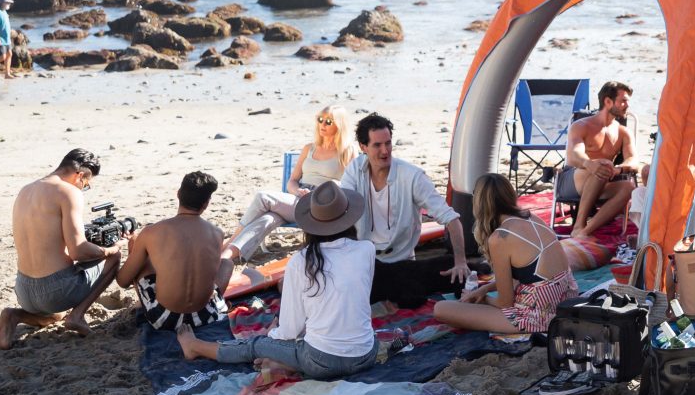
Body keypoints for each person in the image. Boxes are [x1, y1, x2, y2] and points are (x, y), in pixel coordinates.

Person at [176, 181, 378, 380]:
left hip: (320, 362)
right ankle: (286, 363)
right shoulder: (366, 249)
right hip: (365, 356)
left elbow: (289, 330)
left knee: (256, 346)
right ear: (349, 219)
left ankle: (195, 347)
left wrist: (272, 337)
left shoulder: (302, 261)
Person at [0, 148, 122, 348]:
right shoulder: (68, 192)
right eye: (86, 184)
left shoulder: (26, 190)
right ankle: (78, 316)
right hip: (55, 290)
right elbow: (78, 251)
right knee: (114, 257)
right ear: (79, 175)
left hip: (24, 290)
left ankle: (14, 315)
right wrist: (110, 250)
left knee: (57, 314)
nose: (83, 188)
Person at [340, 112, 470, 308]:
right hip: (365, 261)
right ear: (363, 147)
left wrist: (460, 261)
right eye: (377, 145)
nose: (385, 151)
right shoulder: (354, 170)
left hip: (402, 262)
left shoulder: (412, 177)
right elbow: (342, 213)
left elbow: (451, 219)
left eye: (388, 143)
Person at [431, 173, 575, 336]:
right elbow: (529, 275)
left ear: (479, 202)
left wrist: (483, 300)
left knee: (441, 309)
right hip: (566, 301)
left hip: (539, 316)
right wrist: (485, 289)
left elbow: (505, 303)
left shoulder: (500, 238)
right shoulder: (532, 217)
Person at [218, 105, 357, 263]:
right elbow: (292, 181)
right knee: (269, 218)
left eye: (328, 122)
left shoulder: (347, 151)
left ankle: (228, 242)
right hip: (300, 199)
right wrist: (297, 191)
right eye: (320, 120)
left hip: (323, 205)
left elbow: (351, 184)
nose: (322, 125)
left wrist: (329, 188)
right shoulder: (309, 148)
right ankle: (227, 255)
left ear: (339, 125)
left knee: (263, 197)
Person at [118, 171, 232, 332]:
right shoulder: (217, 233)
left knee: (138, 247)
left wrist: (131, 246)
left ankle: (144, 302)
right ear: (206, 204)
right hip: (206, 316)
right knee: (226, 264)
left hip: (164, 319)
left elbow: (123, 281)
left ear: (178, 194)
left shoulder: (152, 232)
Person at [564, 81, 636, 237]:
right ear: (608, 101)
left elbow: (633, 160)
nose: (627, 105)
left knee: (629, 187)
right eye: (623, 101)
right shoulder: (581, 126)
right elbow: (574, 155)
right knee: (601, 168)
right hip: (574, 180)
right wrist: (589, 164)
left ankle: (585, 231)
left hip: (603, 179)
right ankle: (579, 225)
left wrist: (618, 169)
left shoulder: (623, 132)